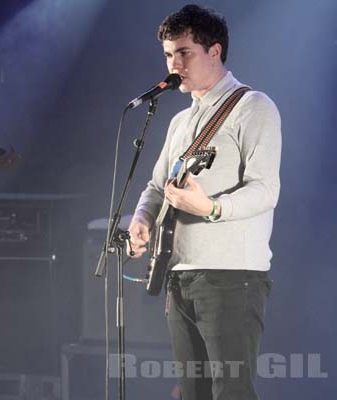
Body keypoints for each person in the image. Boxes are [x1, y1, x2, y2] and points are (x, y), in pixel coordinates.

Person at [127, 4, 281, 400]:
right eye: (168, 54)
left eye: (184, 53)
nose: (173, 63)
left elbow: (266, 191)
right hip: (179, 276)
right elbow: (157, 185)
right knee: (192, 392)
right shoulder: (181, 121)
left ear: (214, 52)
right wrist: (142, 218)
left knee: (230, 391)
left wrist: (211, 207)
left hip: (230, 278)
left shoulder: (253, 107)